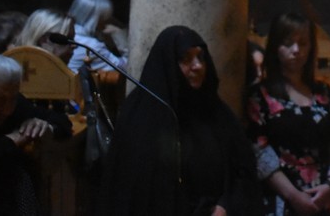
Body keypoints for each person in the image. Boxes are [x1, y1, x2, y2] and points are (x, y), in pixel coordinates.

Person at [101, 25, 259, 216]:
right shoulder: (140, 117)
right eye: (186, 59)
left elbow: (242, 171)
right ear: (168, 65)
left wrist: (225, 206)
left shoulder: (216, 112)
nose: (198, 66)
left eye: (200, 57)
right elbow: (133, 190)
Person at [247, 12, 330, 216]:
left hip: (323, 195)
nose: (296, 50)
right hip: (281, 199)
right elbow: (259, 151)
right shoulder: (262, 95)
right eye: (288, 43)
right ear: (276, 46)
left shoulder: (323, 92)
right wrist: (293, 195)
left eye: (303, 43)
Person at [0, 54, 73, 215]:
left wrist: (44, 127)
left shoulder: (10, 99)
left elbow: (62, 122)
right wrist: (11, 141)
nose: (8, 110)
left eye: (13, 99)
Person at [67, 0, 128, 73]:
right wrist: (118, 34)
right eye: (105, 17)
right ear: (95, 19)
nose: (107, 21)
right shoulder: (92, 46)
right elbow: (125, 67)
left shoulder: (69, 33)